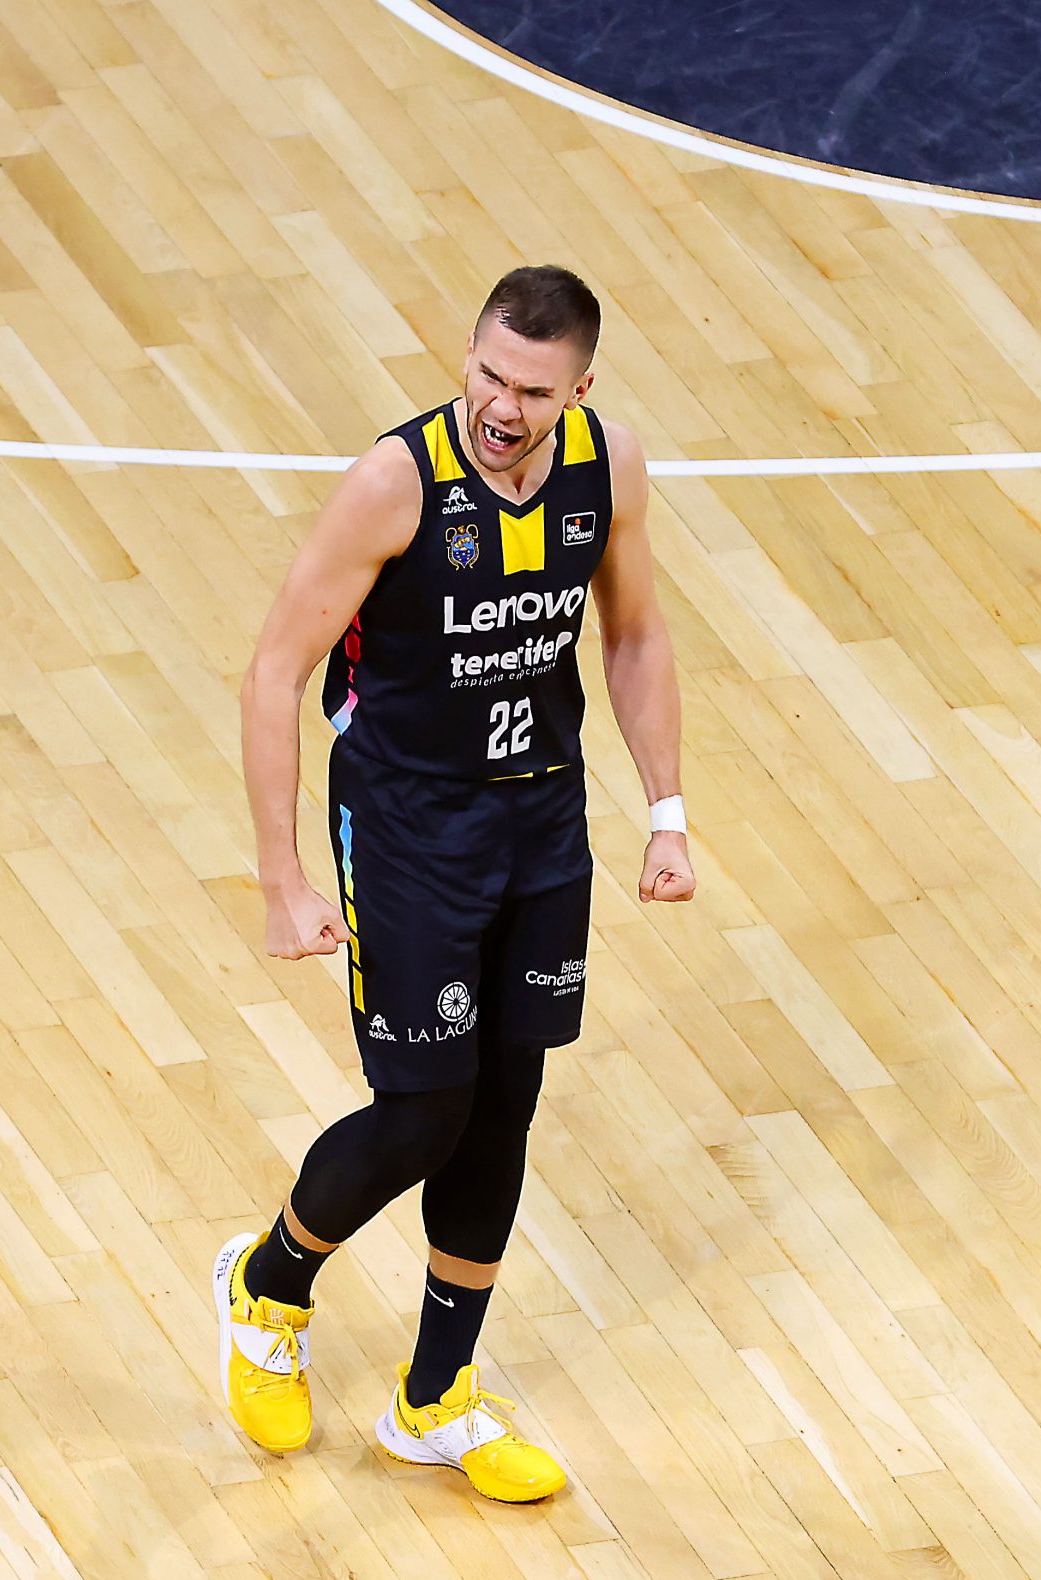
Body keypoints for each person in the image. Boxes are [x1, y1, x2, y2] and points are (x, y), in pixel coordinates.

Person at [217, 265, 693, 1501]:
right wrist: (282, 879)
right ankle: (267, 1286)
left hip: (540, 822)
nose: (500, 405)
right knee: (425, 1109)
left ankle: (433, 1398)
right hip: (408, 825)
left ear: (579, 388)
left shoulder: (607, 467)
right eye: (486, 373)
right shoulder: (396, 483)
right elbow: (273, 671)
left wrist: (666, 813)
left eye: (531, 388)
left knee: (503, 1107)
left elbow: (634, 633)